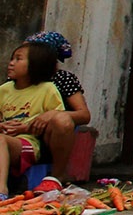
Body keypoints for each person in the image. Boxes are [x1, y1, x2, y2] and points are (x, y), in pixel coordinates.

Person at [0, 42, 67, 194]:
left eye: (18, 59)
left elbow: (59, 120)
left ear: (36, 65)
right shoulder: (4, 90)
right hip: (5, 138)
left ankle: (1, 191)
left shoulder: (47, 90)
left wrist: (26, 126)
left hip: (27, 143)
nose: (11, 63)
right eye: (11, 59)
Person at [23, 32, 89, 183]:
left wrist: (53, 114)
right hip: (19, 131)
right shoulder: (17, 79)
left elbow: (84, 115)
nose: (15, 61)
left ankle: (57, 175)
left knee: (61, 120)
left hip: (49, 134)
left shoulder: (63, 79)